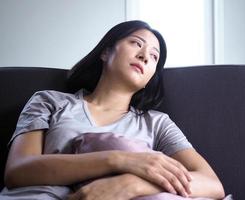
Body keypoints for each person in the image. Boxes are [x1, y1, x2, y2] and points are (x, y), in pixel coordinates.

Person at [1, 20, 226, 200]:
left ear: (150, 78)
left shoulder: (157, 123)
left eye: (154, 56)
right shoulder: (49, 101)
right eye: (136, 43)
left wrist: (131, 183)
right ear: (106, 52)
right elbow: (18, 170)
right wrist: (120, 160)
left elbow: (212, 184)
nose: (145, 56)